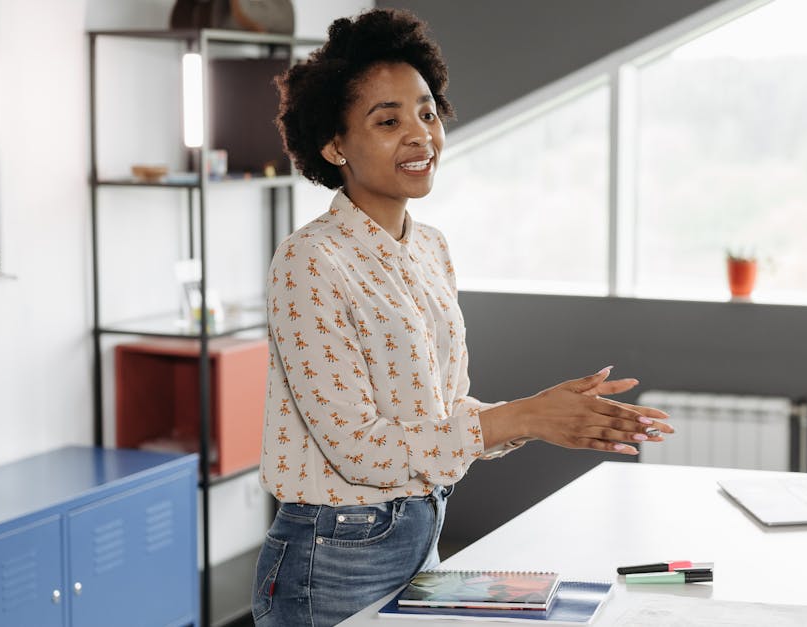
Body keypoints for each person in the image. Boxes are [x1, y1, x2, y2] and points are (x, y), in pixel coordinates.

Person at [251, 9, 673, 626]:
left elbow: (440, 416)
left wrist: (542, 414)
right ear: (335, 144)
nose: (421, 134)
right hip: (333, 553)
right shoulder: (309, 261)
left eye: (426, 112)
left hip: (422, 531)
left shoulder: (431, 248)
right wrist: (520, 418)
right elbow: (357, 451)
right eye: (388, 120)